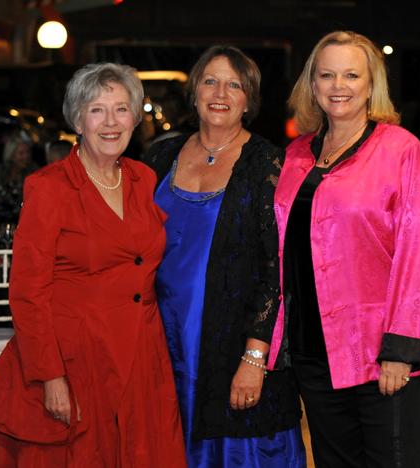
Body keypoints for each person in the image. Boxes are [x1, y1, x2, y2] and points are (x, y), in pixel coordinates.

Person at [0, 62, 187, 467]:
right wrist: (49, 375)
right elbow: (28, 292)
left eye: (121, 109)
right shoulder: (49, 187)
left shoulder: (143, 179)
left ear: (135, 116)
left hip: (142, 354)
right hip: (76, 358)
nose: (110, 122)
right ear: (78, 119)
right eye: (97, 110)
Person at [270, 30, 420, 467]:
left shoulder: (402, 151)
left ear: (371, 85)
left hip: (379, 353)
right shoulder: (295, 155)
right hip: (313, 352)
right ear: (312, 84)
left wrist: (401, 350)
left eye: (351, 74)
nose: (338, 85)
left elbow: (417, 253)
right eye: (326, 75)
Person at [144, 45, 306, 467]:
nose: (221, 92)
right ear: (195, 91)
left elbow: (277, 270)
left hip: (234, 342)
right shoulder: (160, 156)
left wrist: (255, 358)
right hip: (160, 338)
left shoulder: (269, 164)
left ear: (249, 100)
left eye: (234, 84)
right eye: (210, 81)